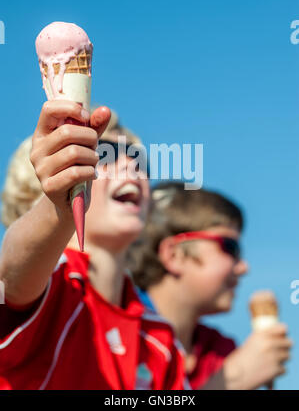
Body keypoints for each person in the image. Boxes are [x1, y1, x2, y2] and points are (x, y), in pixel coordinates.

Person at [0, 102, 186, 390]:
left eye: (140, 160)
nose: (130, 165)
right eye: (105, 154)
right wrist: (61, 207)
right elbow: (8, 279)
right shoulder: (51, 284)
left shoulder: (160, 337)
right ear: (38, 186)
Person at [127, 181, 292, 390]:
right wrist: (228, 383)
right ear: (174, 255)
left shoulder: (219, 350)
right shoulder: (118, 334)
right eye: (230, 247)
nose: (243, 267)